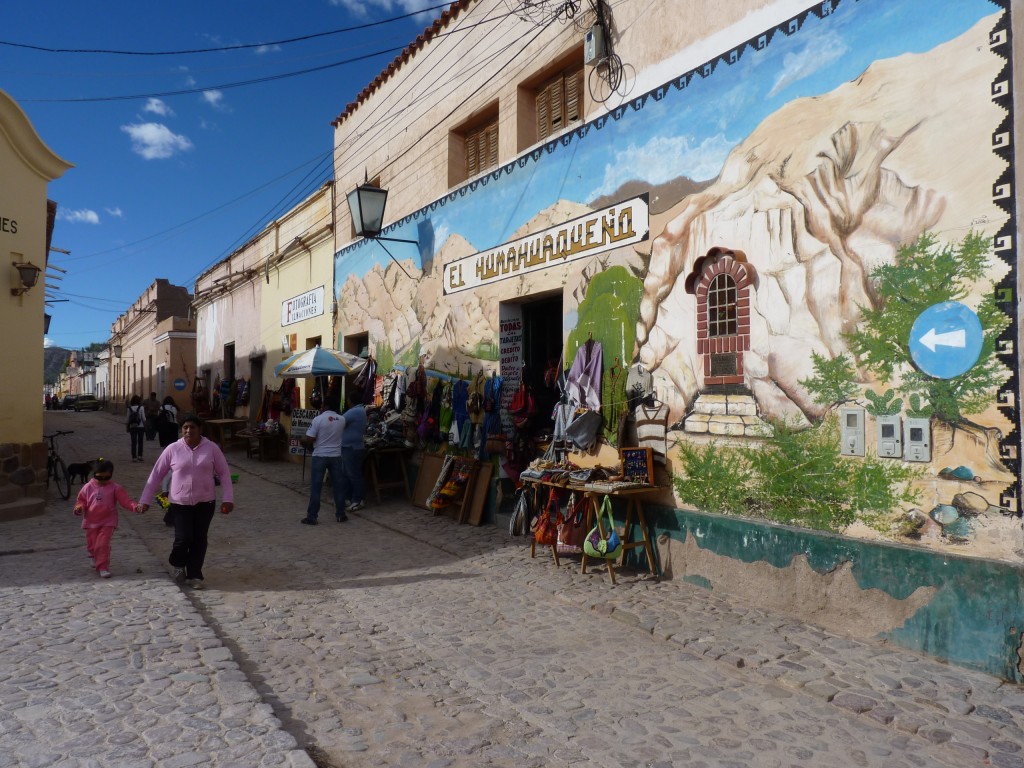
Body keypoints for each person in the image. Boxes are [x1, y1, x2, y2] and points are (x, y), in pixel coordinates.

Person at [137, 414, 234, 590]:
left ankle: (195, 574)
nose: (189, 431)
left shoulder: (212, 449)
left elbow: (224, 474)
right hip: (179, 503)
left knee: (199, 539)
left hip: (206, 502)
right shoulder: (172, 449)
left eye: (192, 427)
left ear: (200, 429)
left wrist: (228, 499)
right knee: (183, 538)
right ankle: (178, 563)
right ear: (181, 430)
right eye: (185, 428)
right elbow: (156, 475)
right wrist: (145, 500)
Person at [73, 459, 141, 579]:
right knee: (93, 544)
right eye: (100, 478)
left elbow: (126, 501)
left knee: (102, 544)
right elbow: (81, 501)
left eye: (106, 477)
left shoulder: (115, 488)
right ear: (94, 475)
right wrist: (79, 508)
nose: (103, 481)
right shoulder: (88, 487)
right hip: (91, 521)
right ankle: (93, 555)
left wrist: (136, 507)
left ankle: (103, 567)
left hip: (108, 521)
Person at [299, 394, 346, 524]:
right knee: (338, 486)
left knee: (316, 486)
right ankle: (340, 514)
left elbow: (310, 438)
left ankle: (312, 516)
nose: (320, 407)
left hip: (319, 455)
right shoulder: (342, 419)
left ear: (326, 406)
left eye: (321, 405)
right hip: (336, 456)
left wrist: (304, 441)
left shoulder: (318, 419)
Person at [340, 389, 367, 514]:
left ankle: (358, 499)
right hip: (351, 446)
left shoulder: (355, 411)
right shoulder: (360, 410)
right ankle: (348, 498)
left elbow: (340, 422)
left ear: (351, 401)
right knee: (348, 474)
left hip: (352, 447)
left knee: (353, 474)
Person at [126, 394, 146, 462]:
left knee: (133, 442)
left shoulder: (129, 408)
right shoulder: (141, 408)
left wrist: (127, 427)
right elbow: (143, 418)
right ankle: (140, 456)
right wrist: (145, 425)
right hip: (141, 427)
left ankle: (134, 457)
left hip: (132, 427)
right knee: (140, 442)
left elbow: (127, 419)